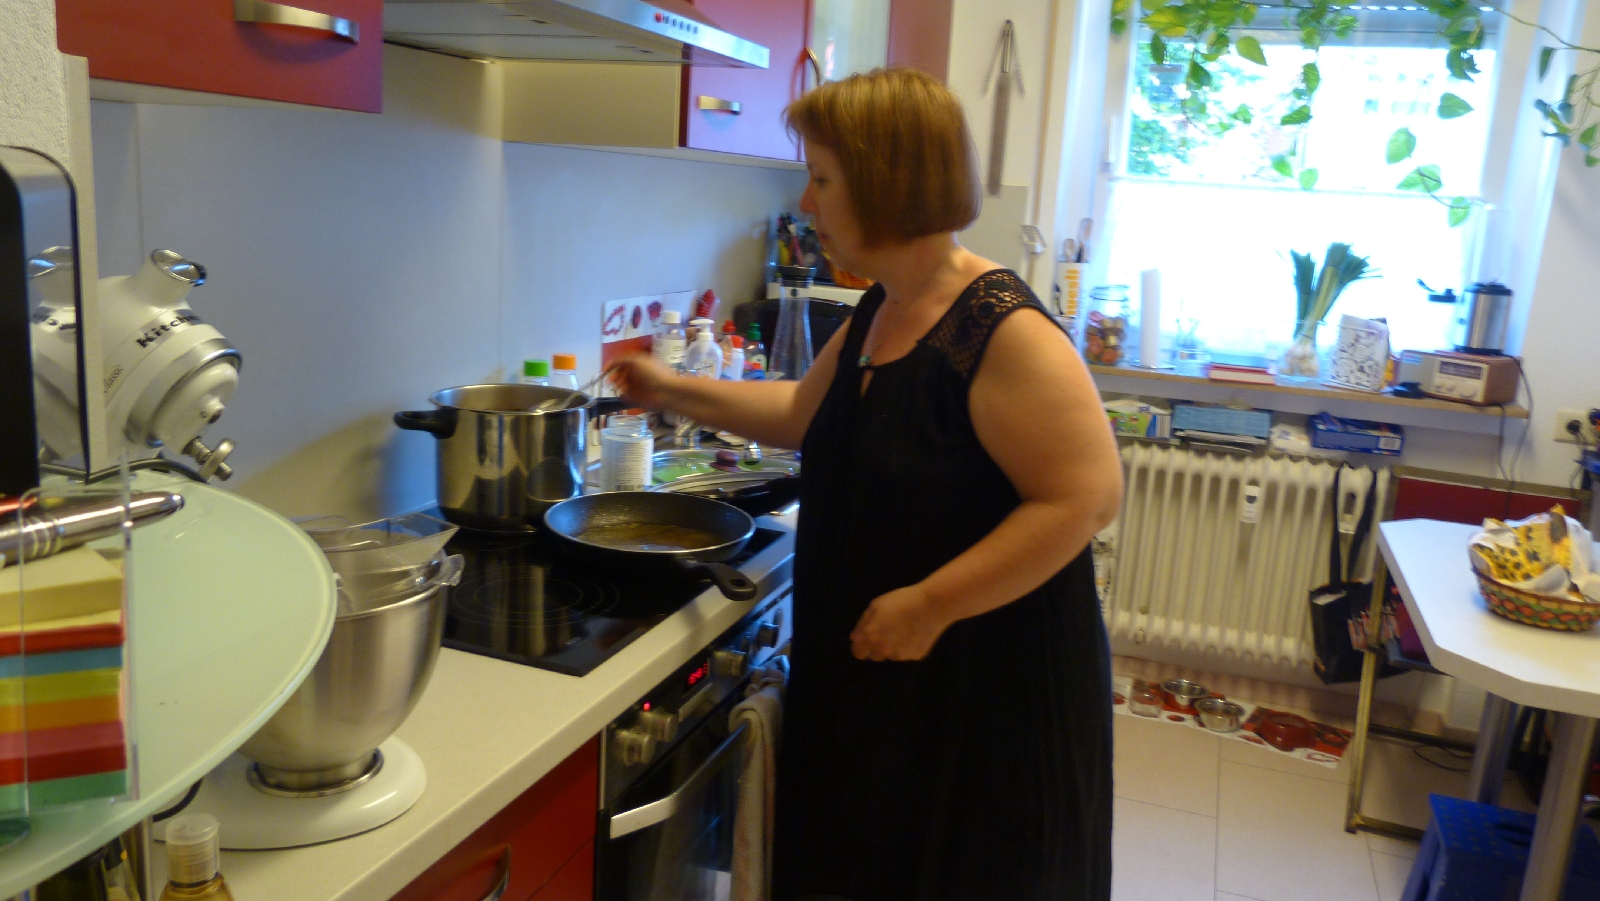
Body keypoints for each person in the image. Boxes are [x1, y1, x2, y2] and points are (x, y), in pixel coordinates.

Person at [608, 67, 1123, 901]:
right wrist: (670, 386)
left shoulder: (1002, 330)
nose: (808, 206)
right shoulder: (882, 308)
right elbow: (805, 413)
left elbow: (1087, 497)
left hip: (982, 694)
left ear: (888, 183)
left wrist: (934, 602)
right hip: (886, 677)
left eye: (821, 179)